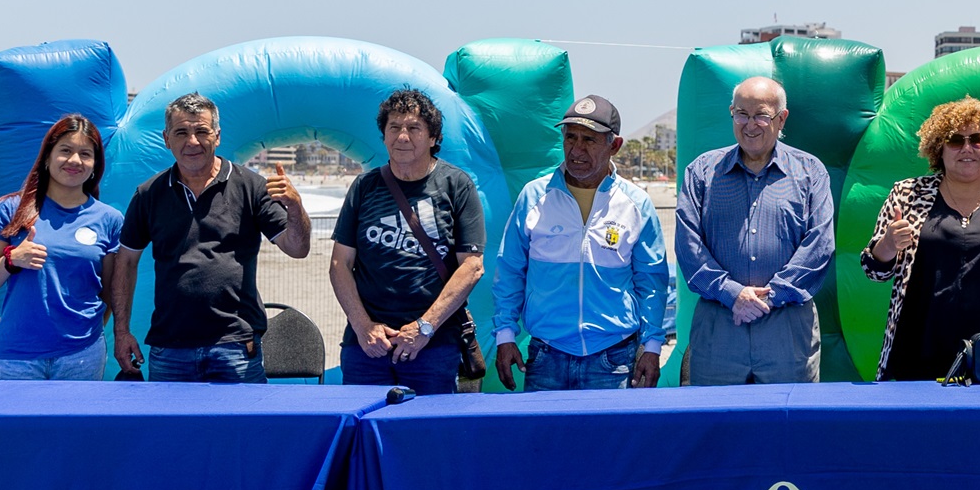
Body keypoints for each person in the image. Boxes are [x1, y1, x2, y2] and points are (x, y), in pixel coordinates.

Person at [109, 92, 312, 383]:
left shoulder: (251, 186)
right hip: (170, 348)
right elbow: (125, 262)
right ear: (167, 139)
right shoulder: (148, 195)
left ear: (217, 136)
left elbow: (297, 248)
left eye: (201, 131)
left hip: (236, 345)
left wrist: (295, 206)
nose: (192, 141)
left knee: (243, 429)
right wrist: (122, 332)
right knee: (169, 430)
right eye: (182, 132)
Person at [860, 97, 980, 382]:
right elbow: (874, 271)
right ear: (939, 147)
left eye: (977, 139)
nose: (966, 148)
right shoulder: (906, 194)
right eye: (954, 140)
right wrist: (888, 245)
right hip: (915, 355)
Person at [492, 95, 671, 391]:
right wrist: (505, 336)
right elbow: (509, 270)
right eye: (570, 137)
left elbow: (651, 282)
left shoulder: (636, 203)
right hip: (545, 356)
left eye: (589, 140)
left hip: (613, 359)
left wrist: (651, 346)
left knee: (610, 439)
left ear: (614, 146)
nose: (576, 149)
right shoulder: (534, 196)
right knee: (545, 439)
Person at [675, 77, 834, 385]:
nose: (750, 125)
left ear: (781, 118)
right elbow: (687, 246)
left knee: (788, 427)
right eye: (741, 114)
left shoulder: (811, 172)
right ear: (731, 114)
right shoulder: (701, 172)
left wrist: (770, 297)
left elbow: (820, 246)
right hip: (718, 332)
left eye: (761, 115)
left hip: (788, 333)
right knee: (716, 428)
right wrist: (732, 295)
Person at [330, 88, 487, 397]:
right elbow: (339, 264)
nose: (403, 136)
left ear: (433, 138)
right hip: (367, 348)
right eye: (394, 128)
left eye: (414, 128)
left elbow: (472, 267)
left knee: (428, 438)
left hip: (433, 346)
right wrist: (363, 327)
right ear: (384, 136)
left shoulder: (457, 185)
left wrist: (424, 327)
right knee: (361, 434)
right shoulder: (365, 186)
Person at [0, 114, 125, 380]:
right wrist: (11, 259)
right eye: (65, 150)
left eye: (85, 154)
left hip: (82, 355)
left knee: (73, 424)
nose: (75, 160)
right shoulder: (11, 209)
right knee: (11, 423)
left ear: (95, 164)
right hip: (16, 355)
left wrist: (84, 334)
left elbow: (110, 292)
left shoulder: (110, 219)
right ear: (47, 157)